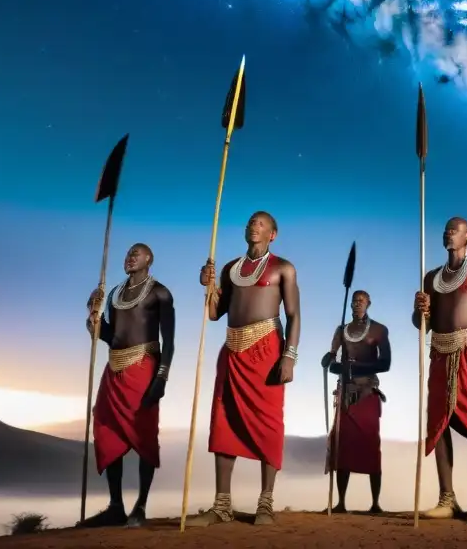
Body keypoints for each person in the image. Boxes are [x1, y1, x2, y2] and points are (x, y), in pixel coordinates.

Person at [186, 211, 302, 527]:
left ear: (273, 234)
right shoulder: (229, 269)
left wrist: (289, 356)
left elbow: (294, 316)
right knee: (223, 421)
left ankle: (265, 503)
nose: (255, 226)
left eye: (261, 223)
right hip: (232, 350)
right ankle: (221, 505)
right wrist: (208, 287)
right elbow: (214, 314)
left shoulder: (283, 268)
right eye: (251, 222)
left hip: (267, 349)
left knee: (268, 422)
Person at [412, 217, 467, 522]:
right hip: (439, 354)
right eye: (445, 229)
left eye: (455, 229)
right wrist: (420, 309)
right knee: (438, 424)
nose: (448, 232)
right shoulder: (431, 278)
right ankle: (446, 498)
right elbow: (421, 326)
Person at [80, 243, 175, 528]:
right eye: (127, 254)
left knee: (143, 434)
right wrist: (93, 314)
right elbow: (110, 335)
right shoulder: (114, 295)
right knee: (106, 429)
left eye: (137, 253)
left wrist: (161, 377)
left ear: (149, 260)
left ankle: (141, 506)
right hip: (114, 367)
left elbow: (169, 341)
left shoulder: (160, 292)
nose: (130, 257)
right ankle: (116, 506)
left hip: (144, 366)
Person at [321, 290, 392, 513]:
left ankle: (375, 504)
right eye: (354, 301)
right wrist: (329, 361)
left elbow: (385, 363)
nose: (357, 304)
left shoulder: (379, 330)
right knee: (343, 446)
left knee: (371, 446)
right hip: (345, 394)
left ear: (368, 304)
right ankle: (341, 503)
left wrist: (355, 368)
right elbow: (332, 361)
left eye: (361, 301)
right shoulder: (341, 331)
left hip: (367, 392)